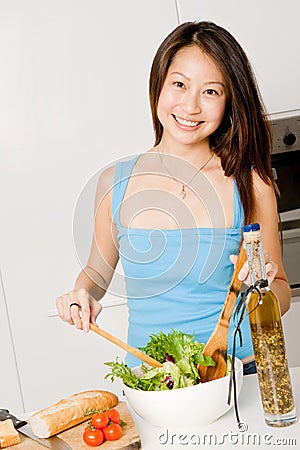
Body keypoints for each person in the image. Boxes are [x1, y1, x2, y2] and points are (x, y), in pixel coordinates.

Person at [56, 21, 291, 375]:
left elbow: (282, 292)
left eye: (211, 92)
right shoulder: (114, 183)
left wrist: (262, 288)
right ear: (159, 86)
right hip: (151, 380)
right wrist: (82, 295)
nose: (190, 106)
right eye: (179, 84)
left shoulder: (251, 185)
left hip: (239, 376)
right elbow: (96, 274)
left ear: (229, 102)